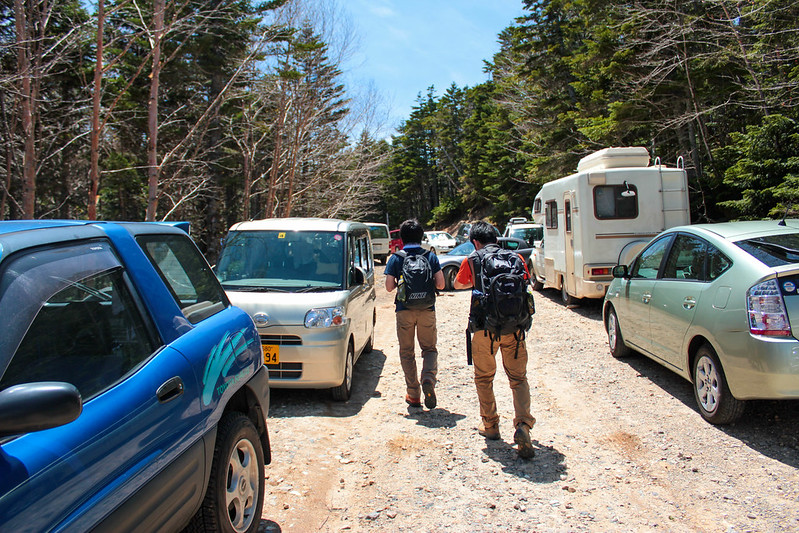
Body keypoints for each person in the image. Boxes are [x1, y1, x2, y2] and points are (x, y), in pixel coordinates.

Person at [453, 221, 536, 459]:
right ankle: (522, 425)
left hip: (485, 330)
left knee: (484, 378)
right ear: (496, 239)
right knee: (518, 378)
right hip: (515, 328)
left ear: (475, 242)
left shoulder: (473, 259)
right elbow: (526, 283)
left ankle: (490, 426)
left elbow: (459, 283)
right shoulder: (516, 259)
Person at [385, 219, 445, 409]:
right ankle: (428, 378)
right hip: (427, 309)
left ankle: (413, 394)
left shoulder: (396, 257)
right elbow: (441, 284)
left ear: (402, 238)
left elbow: (388, 287)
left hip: (404, 310)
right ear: (421, 236)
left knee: (407, 352)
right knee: (429, 349)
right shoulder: (430, 256)